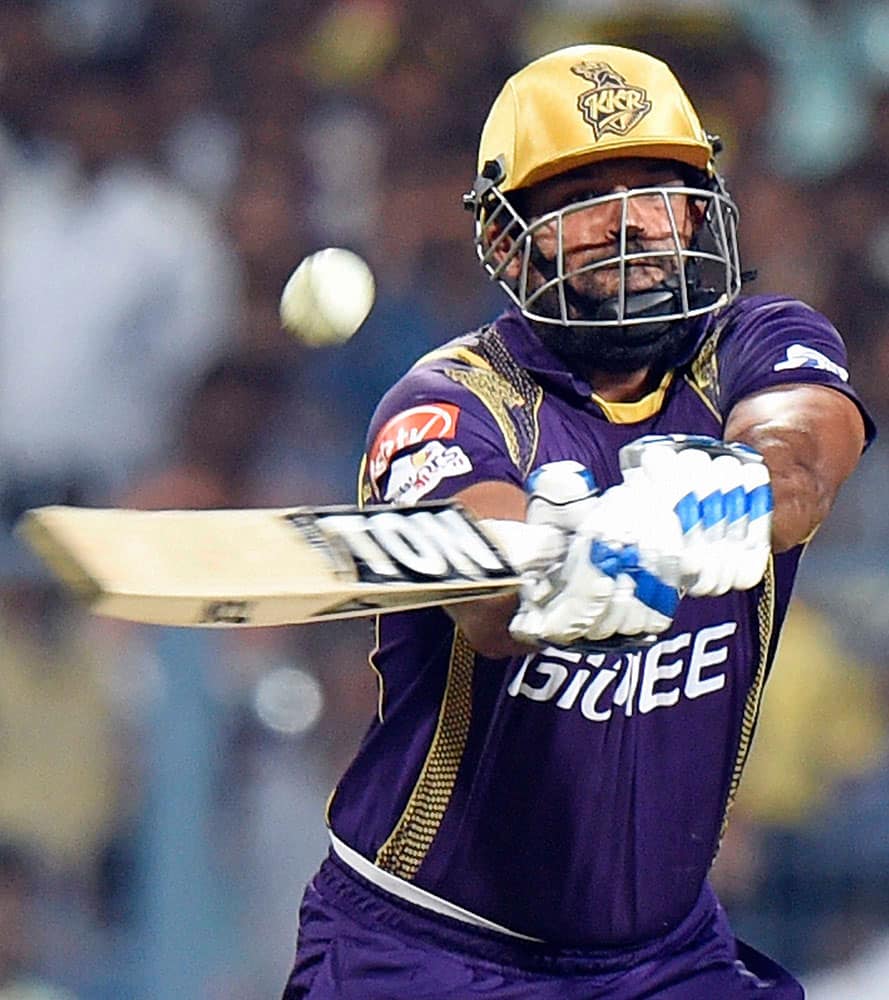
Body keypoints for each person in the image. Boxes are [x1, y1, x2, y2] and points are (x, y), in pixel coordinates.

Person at [283, 44, 873, 999]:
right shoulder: (444, 401)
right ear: (511, 243)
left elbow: (802, 460)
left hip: (666, 958)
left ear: (696, 209)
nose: (632, 224)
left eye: (659, 187)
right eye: (585, 196)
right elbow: (488, 594)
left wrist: (726, 493)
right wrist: (569, 561)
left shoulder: (754, 341)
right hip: (430, 953)